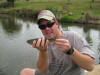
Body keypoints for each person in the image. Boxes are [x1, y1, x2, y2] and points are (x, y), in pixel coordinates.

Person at [20, 10, 95, 75]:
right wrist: (43, 52)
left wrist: (70, 51)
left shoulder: (73, 37)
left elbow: (90, 67)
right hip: (53, 73)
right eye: (42, 26)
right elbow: (42, 70)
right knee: (25, 72)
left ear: (56, 23)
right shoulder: (43, 43)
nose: (46, 28)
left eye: (49, 24)